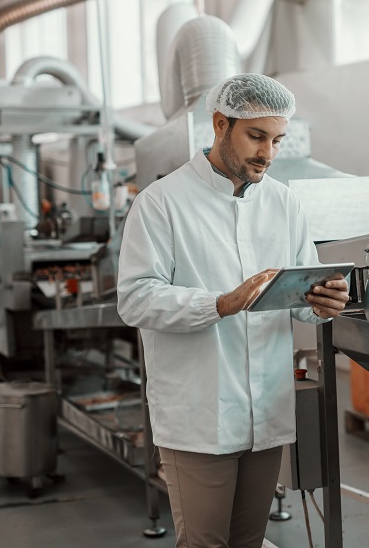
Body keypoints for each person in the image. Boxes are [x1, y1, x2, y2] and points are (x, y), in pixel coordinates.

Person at [117, 73, 350, 548]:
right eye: (256, 136)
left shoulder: (284, 203)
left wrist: (323, 303)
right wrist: (219, 304)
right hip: (198, 413)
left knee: (249, 541)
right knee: (205, 543)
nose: (267, 153)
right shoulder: (161, 203)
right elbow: (136, 297)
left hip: (265, 409)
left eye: (277, 140)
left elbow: (301, 299)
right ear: (221, 124)